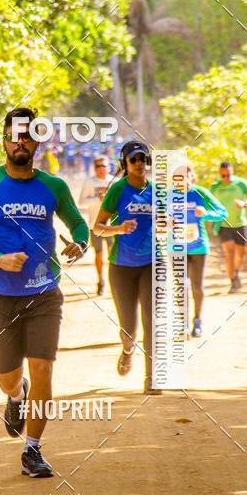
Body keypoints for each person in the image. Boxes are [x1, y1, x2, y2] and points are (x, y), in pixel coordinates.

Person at [0, 107, 89, 478]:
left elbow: (79, 224)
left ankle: (33, 450)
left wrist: (80, 243)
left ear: (37, 141)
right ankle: (16, 396)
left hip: (44, 292)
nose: (21, 142)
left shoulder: (55, 187)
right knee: (8, 377)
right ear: (4, 141)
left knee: (44, 366)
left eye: (27, 135)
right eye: (14, 136)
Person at [93, 140, 162, 395]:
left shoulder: (157, 190)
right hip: (121, 265)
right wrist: (119, 229)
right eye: (134, 159)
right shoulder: (118, 190)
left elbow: (169, 221)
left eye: (143, 158)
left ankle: (152, 377)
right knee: (129, 329)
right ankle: (128, 349)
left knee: (152, 319)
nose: (140, 163)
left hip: (152, 262)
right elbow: (97, 227)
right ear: (125, 164)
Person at [171, 162, 226, 337]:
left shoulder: (200, 193)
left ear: (192, 176)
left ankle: (198, 320)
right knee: (181, 285)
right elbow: (157, 217)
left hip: (199, 247)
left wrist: (206, 213)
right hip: (176, 247)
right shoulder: (168, 196)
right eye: (180, 176)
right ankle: (183, 324)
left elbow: (223, 212)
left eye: (187, 175)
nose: (184, 179)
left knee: (197, 286)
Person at [210, 161, 247, 292]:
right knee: (229, 252)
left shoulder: (241, 183)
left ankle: (237, 273)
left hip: (240, 223)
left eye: (229, 175)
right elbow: (207, 202)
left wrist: (245, 204)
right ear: (220, 174)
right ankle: (232, 281)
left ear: (232, 172)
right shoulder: (215, 187)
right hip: (223, 224)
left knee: (241, 253)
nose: (226, 178)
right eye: (223, 176)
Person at [79, 154, 114, 295]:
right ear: (94, 168)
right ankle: (101, 280)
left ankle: (114, 280)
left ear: (109, 167)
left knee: (113, 254)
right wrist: (97, 199)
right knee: (99, 254)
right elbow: (81, 201)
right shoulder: (89, 182)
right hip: (95, 225)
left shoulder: (115, 182)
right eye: (98, 166)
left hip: (113, 226)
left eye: (103, 166)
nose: (101, 169)